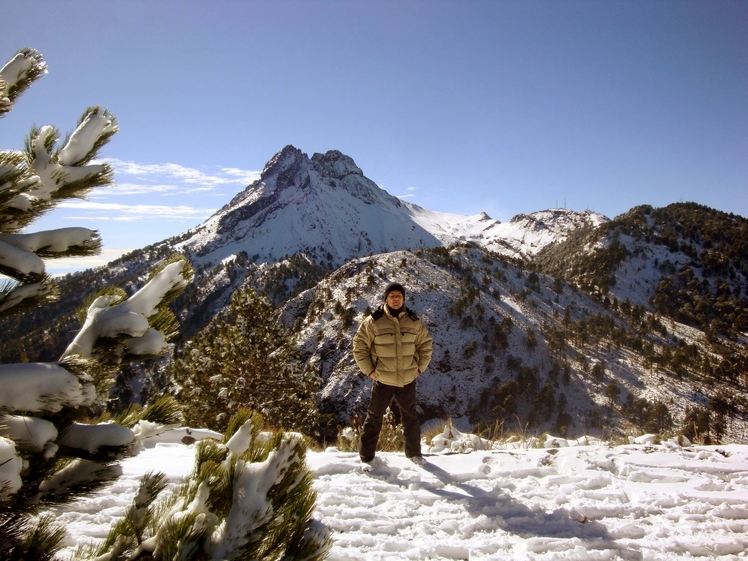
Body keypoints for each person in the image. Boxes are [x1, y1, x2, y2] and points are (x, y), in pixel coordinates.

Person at [352, 282, 433, 464]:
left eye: (399, 295)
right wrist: (370, 370)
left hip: (407, 379)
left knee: (410, 417)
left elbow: (425, 344)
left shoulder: (413, 321)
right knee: (374, 417)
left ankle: (414, 455)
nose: (396, 299)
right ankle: (366, 458)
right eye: (392, 295)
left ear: (403, 298)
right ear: (386, 298)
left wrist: (420, 367)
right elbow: (359, 346)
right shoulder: (374, 321)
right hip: (383, 378)